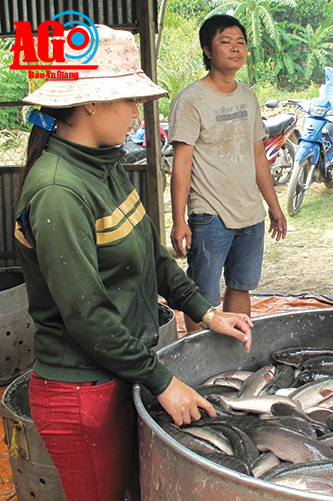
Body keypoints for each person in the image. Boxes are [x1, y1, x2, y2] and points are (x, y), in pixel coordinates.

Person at [15, 26, 253, 501]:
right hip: (82, 390)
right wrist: (163, 381)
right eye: (129, 100)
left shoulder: (105, 164)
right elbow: (88, 316)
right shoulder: (60, 191)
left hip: (120, 372)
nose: (137, 112)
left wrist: (208, 312)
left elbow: (155, 259)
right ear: (91, 104)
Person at [169, 14, 287, 331]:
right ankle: (202, 367)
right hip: (210, 214)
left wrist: (273, 206)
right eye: (226, 42)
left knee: (240, 286)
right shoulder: (192, 100)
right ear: (208, 50)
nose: (236, 49)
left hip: (250, 213)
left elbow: (258, 156)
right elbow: (181, 163)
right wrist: (179, 219)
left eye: (241, 42)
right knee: (201, 299)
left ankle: (235, 361)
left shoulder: (248, 97)